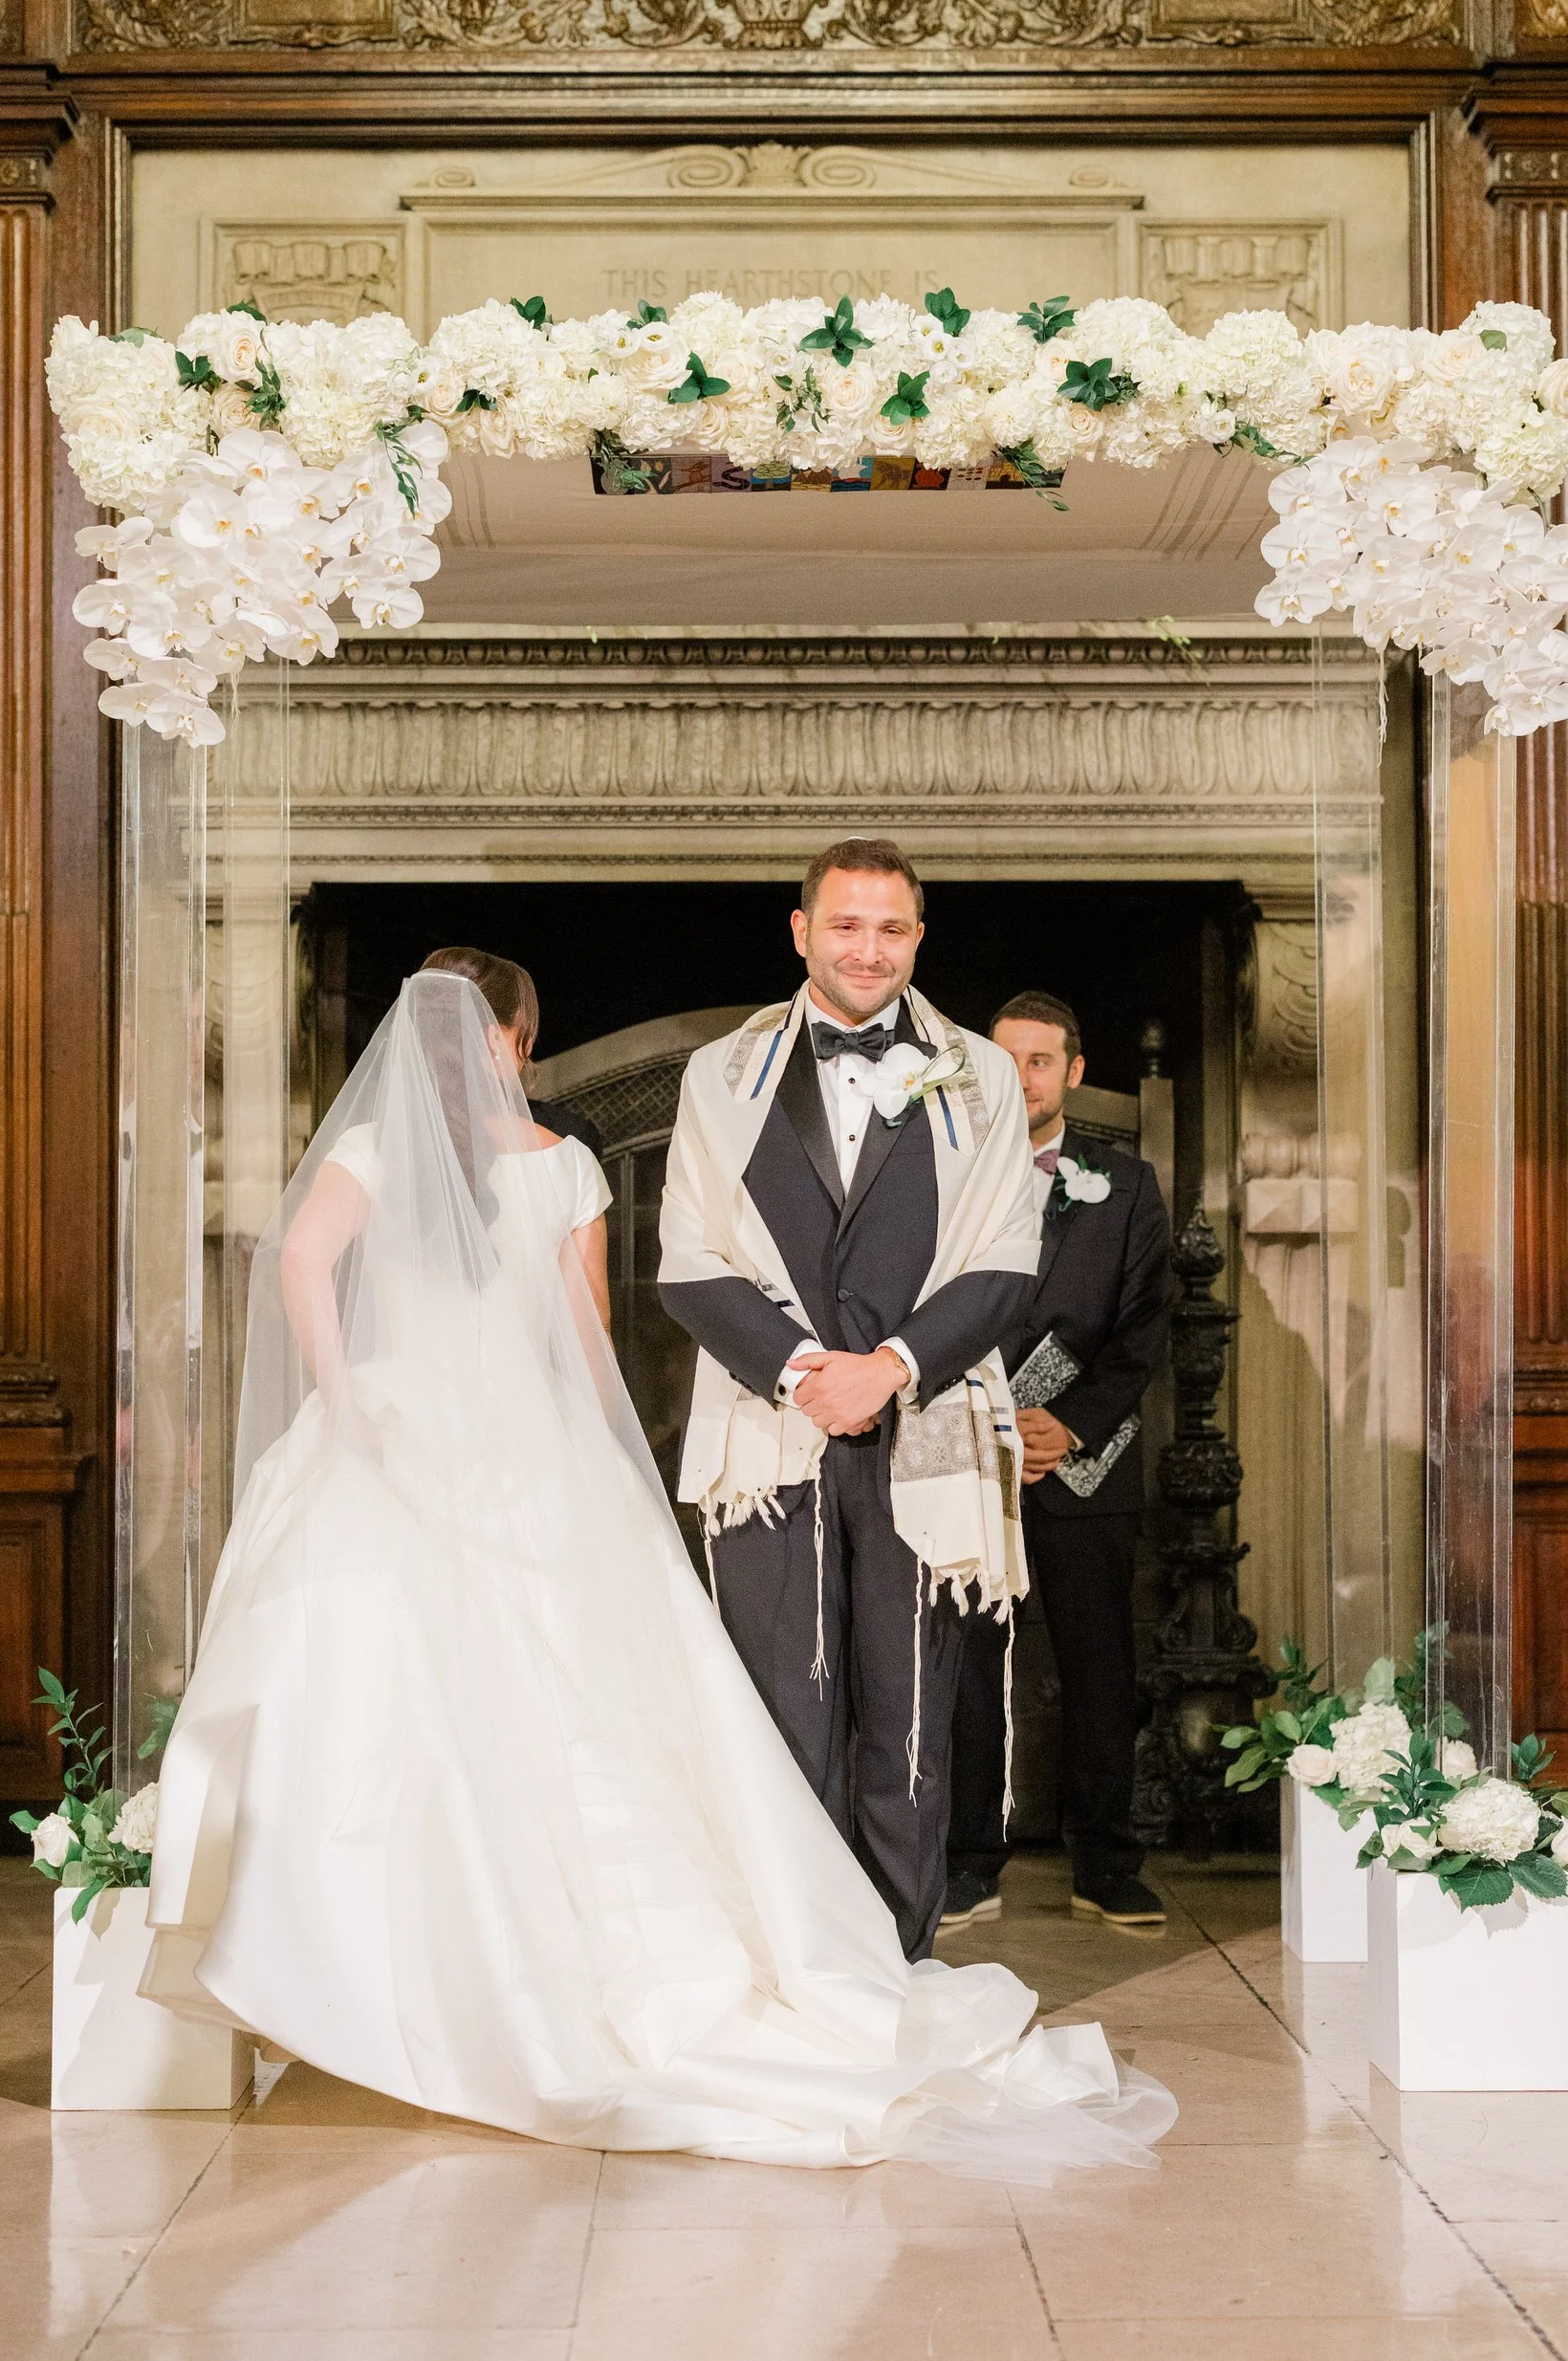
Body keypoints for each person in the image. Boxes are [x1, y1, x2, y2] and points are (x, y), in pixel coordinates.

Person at [142, 960, 1174, 2179]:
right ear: (520, 1040)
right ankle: (566, 1970)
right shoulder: (567, 1164)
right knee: (558, 1722)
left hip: (394, 1429)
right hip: (523, 1451)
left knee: (382, 1703)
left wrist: (347, 1401)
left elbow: (297, 1265)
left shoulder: (368, 1148)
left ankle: (362, 1978)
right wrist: (599, 1469)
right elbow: (583, 1344)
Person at [657, 839, 1043, 1961]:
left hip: (922, 1425)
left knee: (909, 1722)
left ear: (917, 939)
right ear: (800, 931)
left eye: (890, 929)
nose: (866, 950)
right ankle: (797, 1963)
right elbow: (687, 1259)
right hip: (769, 1430)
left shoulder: (975, 1071)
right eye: (845, 925)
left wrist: (889, 1368)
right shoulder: (718, 1073)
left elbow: (1006, 1258)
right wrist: (804, 1372)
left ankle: (896, 1966)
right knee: (783, 1713)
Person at [943, 992, 1173, 1934]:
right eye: (1004, 1060)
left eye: (1040, 1060)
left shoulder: (1123, 1184)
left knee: (1096, 1666)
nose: (1022, 1077)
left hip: (1085, 1459)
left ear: (1072, 1071)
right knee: (960, 1668)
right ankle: (963, 1862)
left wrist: (1067, 1424)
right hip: (963, 1455)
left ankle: (1104, 1864)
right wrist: (986, 1416)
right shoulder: (938, 1172)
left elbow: (1144, 1322)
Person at [420, 942, 607, 1166]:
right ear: (494, 1039)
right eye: (525, 1031)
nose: (529, 1047)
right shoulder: (568, 1159)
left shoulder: (370, 1148)